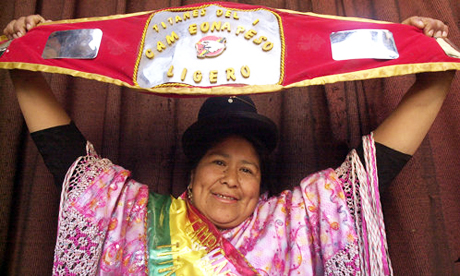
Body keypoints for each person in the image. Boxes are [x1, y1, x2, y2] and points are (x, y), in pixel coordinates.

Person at [4, 14, 456, 275]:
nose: (230, 180)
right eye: (219, 162)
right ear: (194, 171)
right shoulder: (139, 219)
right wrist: (23, 61)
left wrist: (434, 71)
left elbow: (375, 167)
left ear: (261, 184)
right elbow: (66, 158)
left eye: (247, 168)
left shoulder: (293, 224)